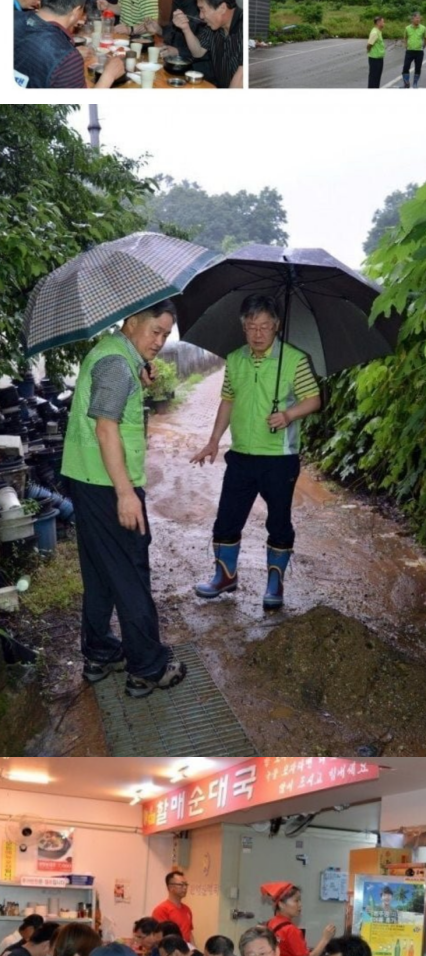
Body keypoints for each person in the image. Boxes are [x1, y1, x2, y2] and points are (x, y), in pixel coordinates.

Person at [61, 301, 187, 700]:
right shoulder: (117, 365)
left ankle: (99, 654)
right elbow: (105, 430)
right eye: (155, 331)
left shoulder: (112, 355)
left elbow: (110, 408)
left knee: (100, 572)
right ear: (131, 323)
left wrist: (139, 378)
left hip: (85, 479)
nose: (160, 341)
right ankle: (147, 668)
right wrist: (125, 493)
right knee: (131, 573)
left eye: (166, 335)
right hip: (108, 484)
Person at [192, 293, 321, 610]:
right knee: (226, 520)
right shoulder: (235, 359)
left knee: (278, 523)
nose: (258, 333)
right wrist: (213, 440)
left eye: (265, 326)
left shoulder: (294, 359)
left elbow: (313, 399)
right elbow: (228, 400)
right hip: (241, 456)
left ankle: (274, 585)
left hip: (280, 459)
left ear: (276, 326)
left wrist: (289, 415)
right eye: (252, 326)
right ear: (244, 327)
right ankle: (225, 576)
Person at [13, 0, 125, 89]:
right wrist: (108, 75)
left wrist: (69, 56)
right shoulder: (66, 58)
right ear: (76, 11)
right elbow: (82, 106)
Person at [152, 0, 214, 81]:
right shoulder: (178, 0)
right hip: (175, 63)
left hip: (197, 68)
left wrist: (178, 51)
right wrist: (159, 30)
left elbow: (206, 47)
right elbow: (172, 30)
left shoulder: (206, 2)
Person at [172, 0, 243, 88]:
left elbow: (242, 76)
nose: (201, 16)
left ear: (222, 8)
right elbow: (198, 52)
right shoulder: (214, 26)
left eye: (202, 9)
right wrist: (185, 28)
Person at [260, 883, 337, 956]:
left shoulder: (270, 923)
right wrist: (325, 939)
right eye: (296, 901)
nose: (300, 905)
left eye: (300, 900)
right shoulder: (291, 930)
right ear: (281, 904)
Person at [152, 871, 194, 943]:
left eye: (186, 885)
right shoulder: (161, 910)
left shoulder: (187, 909)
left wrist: (194, 950)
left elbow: (189, 933)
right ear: (170, 887)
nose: (185, 888)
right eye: (181, 885)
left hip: (185, 950)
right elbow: (160, 938)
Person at [402, 13, 426, 90]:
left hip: (419, 51)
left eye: (419, 18)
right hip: (409, 51)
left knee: (418, 68)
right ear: (412, 19)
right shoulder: (407, 28)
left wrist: (423, 46)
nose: (418, 20)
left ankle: (415, 83)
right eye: (416, 18)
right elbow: (405, 38)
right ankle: (406, 83)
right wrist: (405, 45)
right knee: (406, 67)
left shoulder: (423, 28)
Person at [366, 16, 386, 88]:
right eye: (383, 22)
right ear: (378, 22)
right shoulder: (375, 32)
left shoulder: (378, 31)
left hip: (379, 58)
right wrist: (368, 50)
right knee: (374, 77)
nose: (384, 23)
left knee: (377, 77)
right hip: (374, 59)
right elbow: (369, 44)